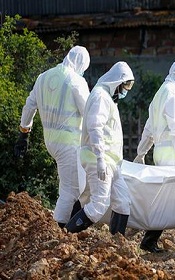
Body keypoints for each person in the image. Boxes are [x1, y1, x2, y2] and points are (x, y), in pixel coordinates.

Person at [14, 46, 91, 228]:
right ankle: (60, 230)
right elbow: (89, 112)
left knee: (73, 185)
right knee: (71, 191)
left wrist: (24, 134)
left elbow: (29, 106)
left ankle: (71, 230)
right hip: (69, 144)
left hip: (51, 142)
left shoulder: (43, 77)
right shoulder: (75, 81)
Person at [65, 61, 135, 235]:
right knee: (98, 205)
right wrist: (100, 158)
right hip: (98, 159)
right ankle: (66, 236)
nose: (126, 90)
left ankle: (117, 243)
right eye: (125, 85)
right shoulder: (100, 97)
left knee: (123, 202)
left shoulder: (107, 98)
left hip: (112, 162)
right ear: (117, 83)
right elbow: (95, 127)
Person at [134, 59, 175, 253]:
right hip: (172, 154)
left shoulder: (160, 94)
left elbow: (149, 128)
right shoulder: (172, 94)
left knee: (172, 198)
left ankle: (171, 240)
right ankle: (172, 241)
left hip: (161, 152)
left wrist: (141, 153)